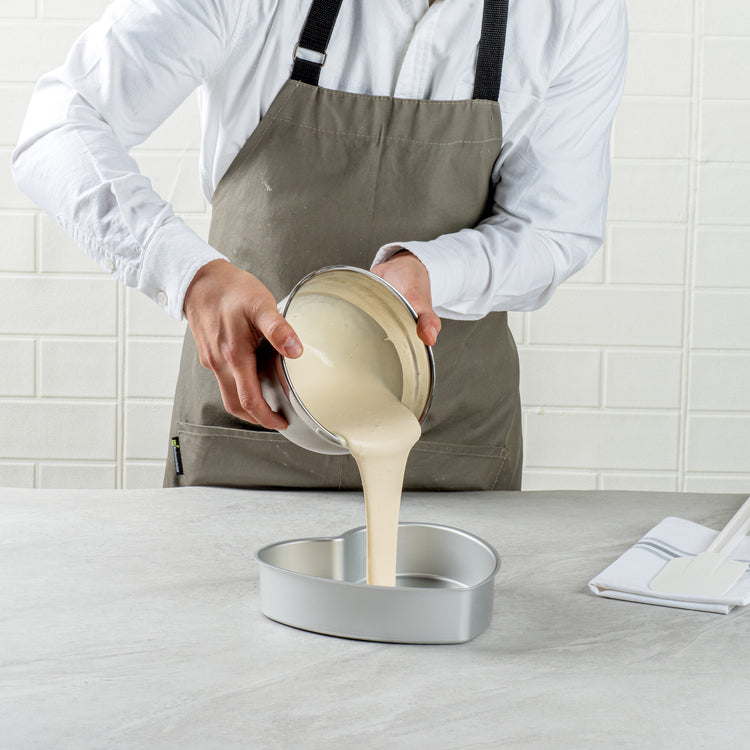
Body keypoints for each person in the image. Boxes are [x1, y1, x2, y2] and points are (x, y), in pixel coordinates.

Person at [12, 0, 628, 491]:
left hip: (452, 453)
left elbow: (554, 228)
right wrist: (191, 276)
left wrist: (432, 270)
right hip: (247, 436)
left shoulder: (574, 11)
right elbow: (60, 123)